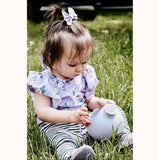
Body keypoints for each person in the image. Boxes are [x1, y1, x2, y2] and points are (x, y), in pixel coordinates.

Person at [27, 5, 132, 160]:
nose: (80, 69)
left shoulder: (83, 75)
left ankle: (123, 136)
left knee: (114, 108)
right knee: (63, 140)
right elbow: (42, 113)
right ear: (52, 58)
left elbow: (89, 100)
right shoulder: (44, 82)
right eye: (73, 64)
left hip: (82, 121)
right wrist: (70, 117)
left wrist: (99, 103)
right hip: (57, 125)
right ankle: (70, 154)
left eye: (84, 62)